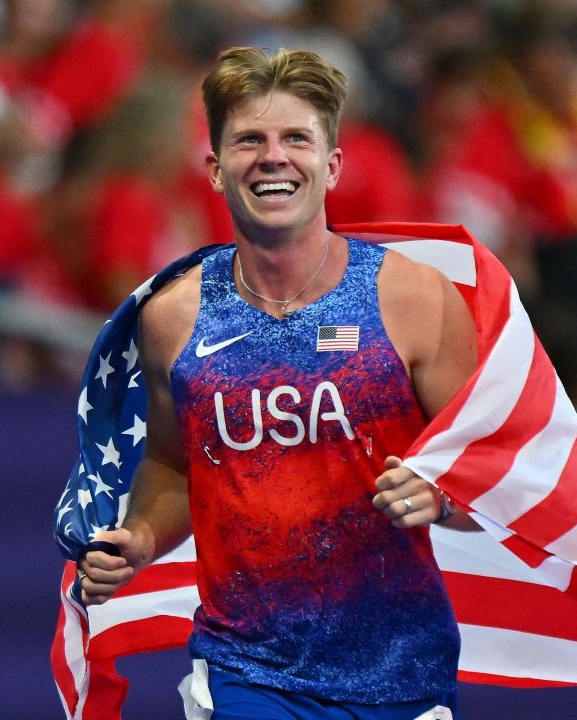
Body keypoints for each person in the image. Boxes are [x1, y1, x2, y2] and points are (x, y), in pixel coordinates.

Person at [74, 46, 480, 720]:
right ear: (214, 169)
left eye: (297, 138)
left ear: (333, 164)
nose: (273, 156)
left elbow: (491, 476)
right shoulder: (173, 318)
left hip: (404, 675)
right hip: (246, 670)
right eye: (249, 141)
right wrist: (141, 537)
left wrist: (441, 494)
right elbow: (179, 462)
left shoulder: (414, 299)